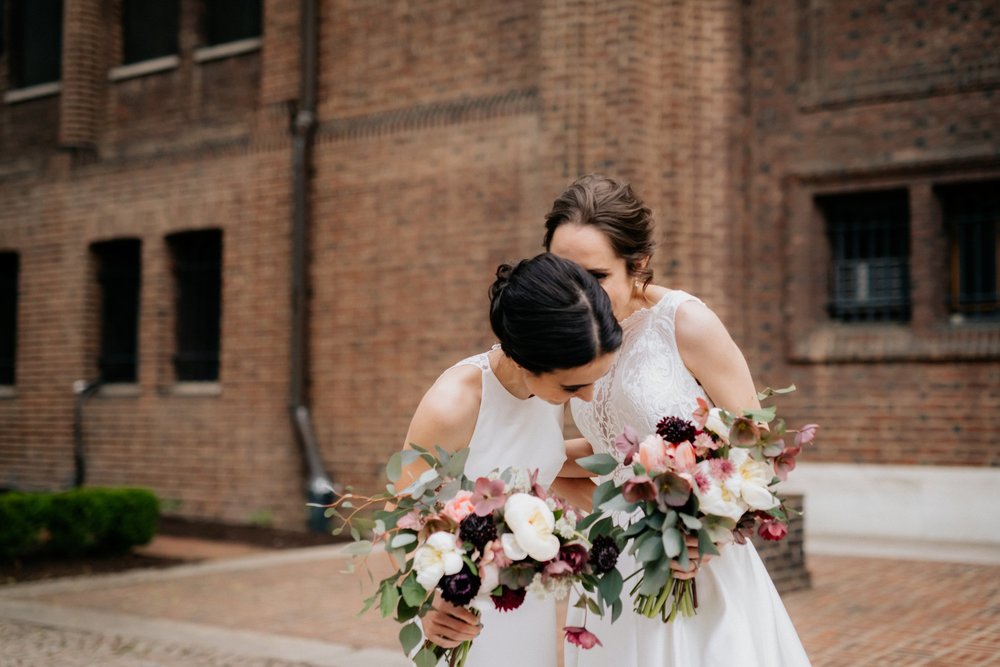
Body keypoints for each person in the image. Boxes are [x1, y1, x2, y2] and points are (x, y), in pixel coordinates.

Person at [545, 175, 811, 666]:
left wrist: (705, 529)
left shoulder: (685, 323)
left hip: (693, 561)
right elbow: (615, 453)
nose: (578, 294)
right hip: (614, 563)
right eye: (564, 276)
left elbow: (757, 448)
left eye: (595, 276)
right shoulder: (572, 337)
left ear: (637, 264)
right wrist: (541, 463)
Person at [400, 252, 623, 667]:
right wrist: (428, 600)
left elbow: (536, 465)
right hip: (461, 609)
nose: (589, 396)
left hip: (525, 600)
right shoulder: (455, 404)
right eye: (574, 385)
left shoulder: (544, 390)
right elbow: (403, 513)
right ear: (525, 360)